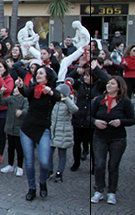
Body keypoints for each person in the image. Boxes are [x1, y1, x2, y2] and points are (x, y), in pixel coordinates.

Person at [15, 66, 61, 201]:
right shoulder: (33, 89)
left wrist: (51, 92)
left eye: (41, 73)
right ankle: (32, 188)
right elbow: (25, 92)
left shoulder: (51, 91)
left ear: (48, 76)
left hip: (43, 129)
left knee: (44, 162)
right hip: (27, 128)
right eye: (37, 74)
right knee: (29, 162)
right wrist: (21, 85)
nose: (38, 75)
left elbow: (58, 97)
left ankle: (42, 182)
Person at [90, 76, 135, 205]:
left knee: (113, 166)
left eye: (112, 84)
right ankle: (99, 190)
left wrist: (120, 122)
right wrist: (95, 122)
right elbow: (88, 116)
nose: (109, 85)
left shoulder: (125, 102)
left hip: (117, 138)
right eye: (108, 83)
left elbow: (132, 119)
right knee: (99, 165)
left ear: (119, 87)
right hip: (100, 137)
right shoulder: (99, 100)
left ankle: (111, 192)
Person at [67, 62, 109, 172]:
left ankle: (94, 165)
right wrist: (77, 71)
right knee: (77, 144)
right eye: (84, 75)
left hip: (91, 119)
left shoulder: (99, 85)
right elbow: (68, 78)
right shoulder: (80, 84)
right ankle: (76, 162)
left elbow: (107, 79)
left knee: (93, 144)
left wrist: (97, 69)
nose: (85, 77)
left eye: (88, 75)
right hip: (79, 118)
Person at [0, 80, 28, 177]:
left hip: (19, 128)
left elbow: (27, 109)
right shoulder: (11, 99)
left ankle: (19, 166)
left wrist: (22, 112)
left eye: (18, 88)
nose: (16, 90)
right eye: (15, 88)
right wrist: (0, 93)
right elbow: (0, 102)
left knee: (19, 148)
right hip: (10, 127)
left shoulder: (25, 100)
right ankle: (10, 164)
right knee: (10, 147)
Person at [49, 82, 79, 183]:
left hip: (63, 132)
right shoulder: (56, 103)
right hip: (53, 131)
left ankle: (59, 172)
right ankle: (49, 170)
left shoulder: (68, 102)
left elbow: (74, 110)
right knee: (49, 153)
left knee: (62, 154)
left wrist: (67, 100)